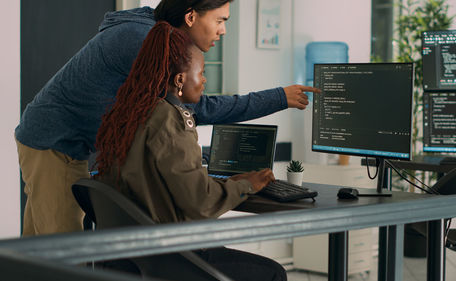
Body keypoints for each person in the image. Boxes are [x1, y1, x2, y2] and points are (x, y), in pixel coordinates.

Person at [15, 0, 320, 236]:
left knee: (37, 251)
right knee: (64, 260)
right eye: (220, 20)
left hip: (51, 138)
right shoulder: (144, 40)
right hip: (56, 145)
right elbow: (195, 109)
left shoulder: (150, 33)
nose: (223, 30)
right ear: (191, 17)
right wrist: (279, 97)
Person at [95, 21, 285, 281]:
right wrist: (246, 186)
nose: (204, 79)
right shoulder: (169, 119)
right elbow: (200, 202)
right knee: (274, 273)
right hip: (171, 257)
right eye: (202, 72)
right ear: (180, 79)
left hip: (132, 255)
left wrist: (228, 183)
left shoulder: (127, 113)